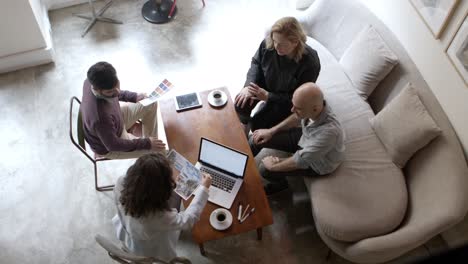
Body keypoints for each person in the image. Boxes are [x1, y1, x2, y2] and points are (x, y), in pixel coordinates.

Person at [112, 153, 212, 261]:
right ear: (158, 191)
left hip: (128, 230)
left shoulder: (121, 182)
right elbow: (188, 220)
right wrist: (204, 189)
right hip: (149, 250)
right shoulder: (158, 217)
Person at [250, 82, 345, 195]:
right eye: (293, 105)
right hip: (306, 137)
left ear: (314, 109)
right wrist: (271, 131)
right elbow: (296, 117)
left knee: (265, 169)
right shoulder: (317, 108)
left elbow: (301, 160)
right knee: (256, 139)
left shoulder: (329, 133)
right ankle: (241, 164)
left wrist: (273, 166)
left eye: (298, 108)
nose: (292, 110)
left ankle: (281, 185)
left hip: (317, 162)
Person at [235, 16, 321, 135]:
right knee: (241, 103)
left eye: (282, 44)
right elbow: (256, 62)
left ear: (295, 42)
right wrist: (248, 86)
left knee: (258, 124)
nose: (276, 47)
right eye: (274, 41)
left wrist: (268, 97)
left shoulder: (310, 63)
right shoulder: (268, 42)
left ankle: (259, 116)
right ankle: (244, 127)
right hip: (265, 83)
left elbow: (298, 98)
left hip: (284, 99)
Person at [81, 61, 165, 159]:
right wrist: (146, 143)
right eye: (110, 92)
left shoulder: (90, 81)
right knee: (160, 153)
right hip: (111, 144)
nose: (116, 92)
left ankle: (152, 140)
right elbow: (113, 145)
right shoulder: (99, 118)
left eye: (117, 86)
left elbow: (115, 92)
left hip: (115, 120)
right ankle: (152, 148)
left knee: (150, 102)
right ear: (98, 90)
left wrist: (135, 97)